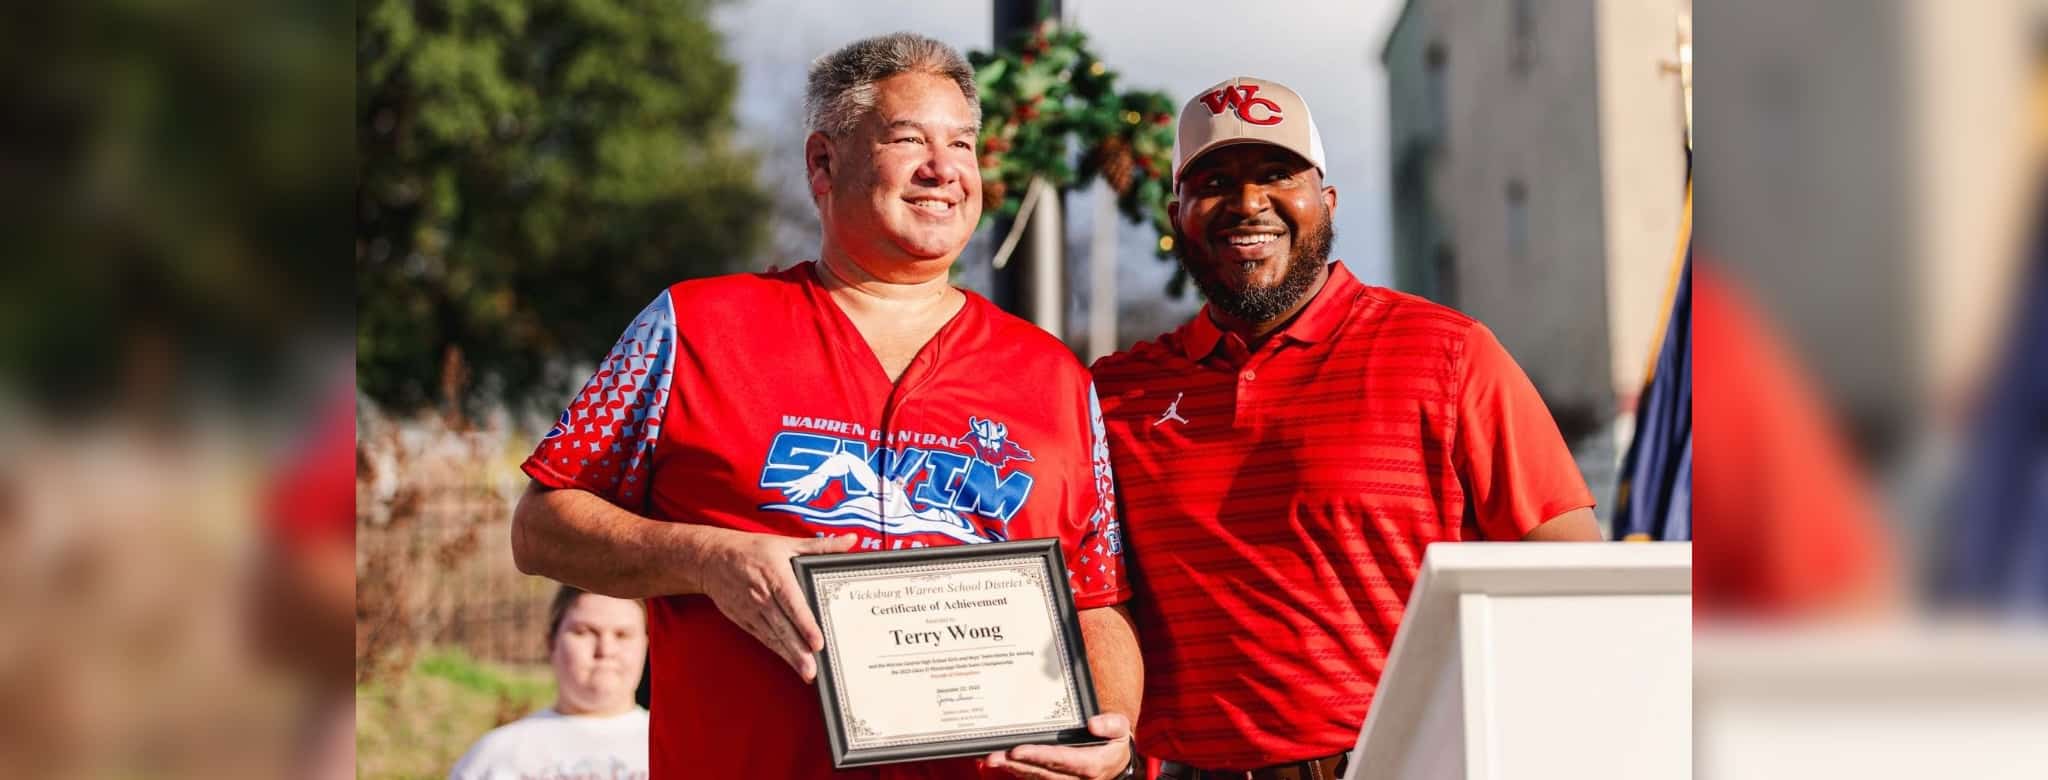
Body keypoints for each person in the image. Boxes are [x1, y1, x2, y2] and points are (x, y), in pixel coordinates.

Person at [510, 32, 1139, 780]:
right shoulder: (694, 328)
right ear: (822, 161)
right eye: (908, 139)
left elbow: (1097, 599)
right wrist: (708, 557)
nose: (944, 170)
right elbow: (541, 527)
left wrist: (1113, 727)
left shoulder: (1054, 376)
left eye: (963, 145)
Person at [1088, 76, 1603, 779]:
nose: (1247, 204)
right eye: (1214, 182)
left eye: (1277, 175)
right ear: (1177, 214)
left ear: (1324, 203)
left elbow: (1573, 578)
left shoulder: (1447, 354)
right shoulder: (1119, 394)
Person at [449, 586, 652, 780]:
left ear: (647, 644)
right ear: (551, 642)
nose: (606, 650)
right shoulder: (495, 755)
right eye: (585, 632)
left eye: (623, 635)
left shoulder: (673, 747)